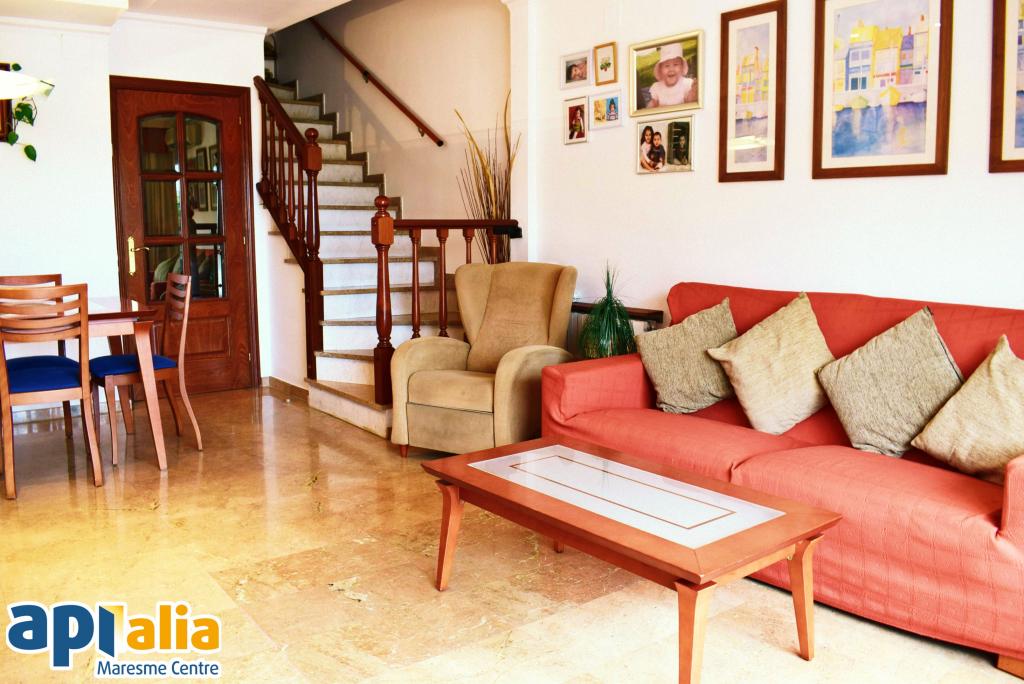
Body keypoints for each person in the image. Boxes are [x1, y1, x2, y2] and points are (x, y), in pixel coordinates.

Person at [647, 43, 697, 108]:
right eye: (667, 66)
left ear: (682, 67)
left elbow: (690, 103)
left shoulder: (687, 84)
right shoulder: (657, 87)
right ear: (660, 70)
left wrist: (694, 91)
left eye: (676, 64)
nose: (671, 69)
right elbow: (653, 104)